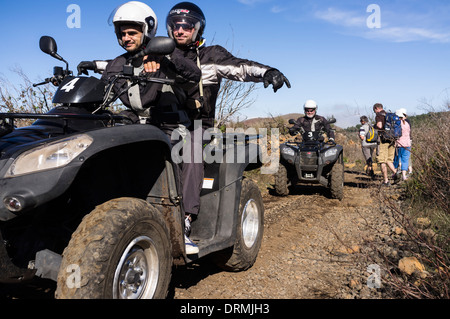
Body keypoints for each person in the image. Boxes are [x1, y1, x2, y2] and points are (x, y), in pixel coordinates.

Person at [101, 1, 201, 254]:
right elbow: (101, 90)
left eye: (132, 32)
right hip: (136, 122)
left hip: (171, 122)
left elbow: (193, 74)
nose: (126, 38)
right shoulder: (118, 62)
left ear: (148, 29)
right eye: (122, 33)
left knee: (185, 149)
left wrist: (165, 56)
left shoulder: (166, 54)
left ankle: (183, 219)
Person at [158, 2, 291, 129]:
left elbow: (240, 67)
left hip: (198, 126)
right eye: (176, 26)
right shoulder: (161, 54)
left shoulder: (211, 55)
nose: (180, 31)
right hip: (163, 123)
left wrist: (267, 72)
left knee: (191, 152)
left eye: (186, 26)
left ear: (197, 28)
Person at [373, 103, 397, 186]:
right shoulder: (389, 114)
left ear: (376, 108)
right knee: (389, 160)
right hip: (392, 140)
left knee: (382, 161)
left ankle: (386, 181)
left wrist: (374, 126)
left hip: (383, 140)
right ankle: (396, 173)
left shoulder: (379, 115)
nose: (375, 112)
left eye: (374, 111)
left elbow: (379, 126)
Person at [393, 108, 412, 181]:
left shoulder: (397, 123)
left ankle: (395, 173)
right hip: (407, 144)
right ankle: (404, 175)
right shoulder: (407, 123)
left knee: (397, 159)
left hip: (399, 144)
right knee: (405, 160)